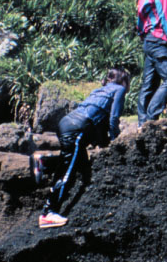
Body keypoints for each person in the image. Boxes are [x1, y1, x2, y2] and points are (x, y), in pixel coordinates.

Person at [39, 68, 130, 228]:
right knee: (68, 170)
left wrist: (104, 142)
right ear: (124, 80)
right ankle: (48, 212)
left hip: (66, 122)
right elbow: (113, 119)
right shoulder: (119, 90)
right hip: (77, 128)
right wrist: (116, 142)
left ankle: (45, 163)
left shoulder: (99, 91)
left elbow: (100, 121)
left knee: (80, 164)